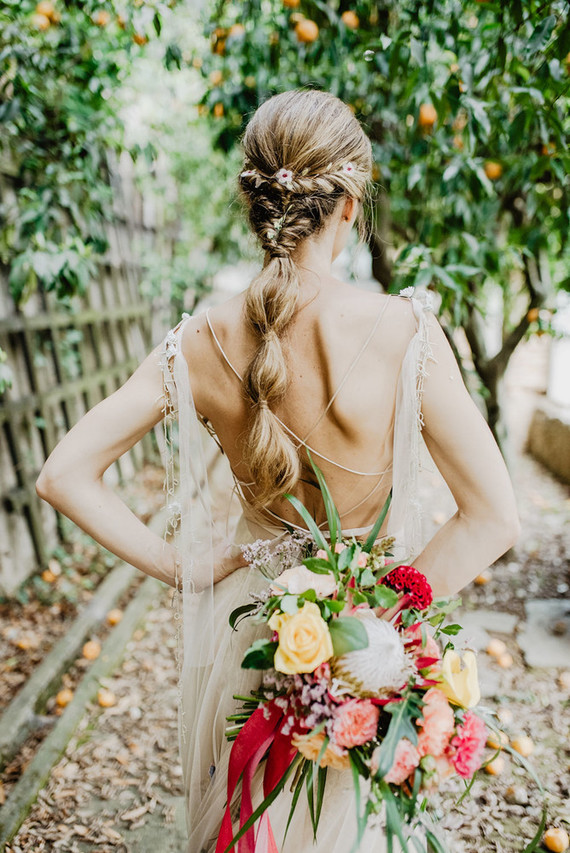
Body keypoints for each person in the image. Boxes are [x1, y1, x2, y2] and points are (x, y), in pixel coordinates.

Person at [36, 89, 520, 852]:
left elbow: (62, 473)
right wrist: (376, 622)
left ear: (255, 202)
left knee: (252, 824)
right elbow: (493, 514)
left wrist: (178, 563)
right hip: (365, 645)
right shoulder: (405, 332)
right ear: (350, 202)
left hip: (254, 631)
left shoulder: (200, 340)